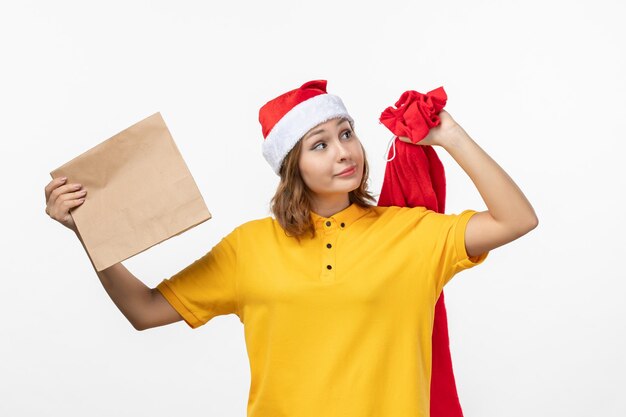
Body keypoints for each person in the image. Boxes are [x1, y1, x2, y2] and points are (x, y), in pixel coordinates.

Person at [44, 79, 538, 417]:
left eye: (346, 134)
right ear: (291, 167)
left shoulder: (412, 232)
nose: (344, 150)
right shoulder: (250, 248)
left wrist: (449, 135)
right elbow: (145, 310)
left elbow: (517, 219)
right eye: (319, 144)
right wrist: (89, 233)